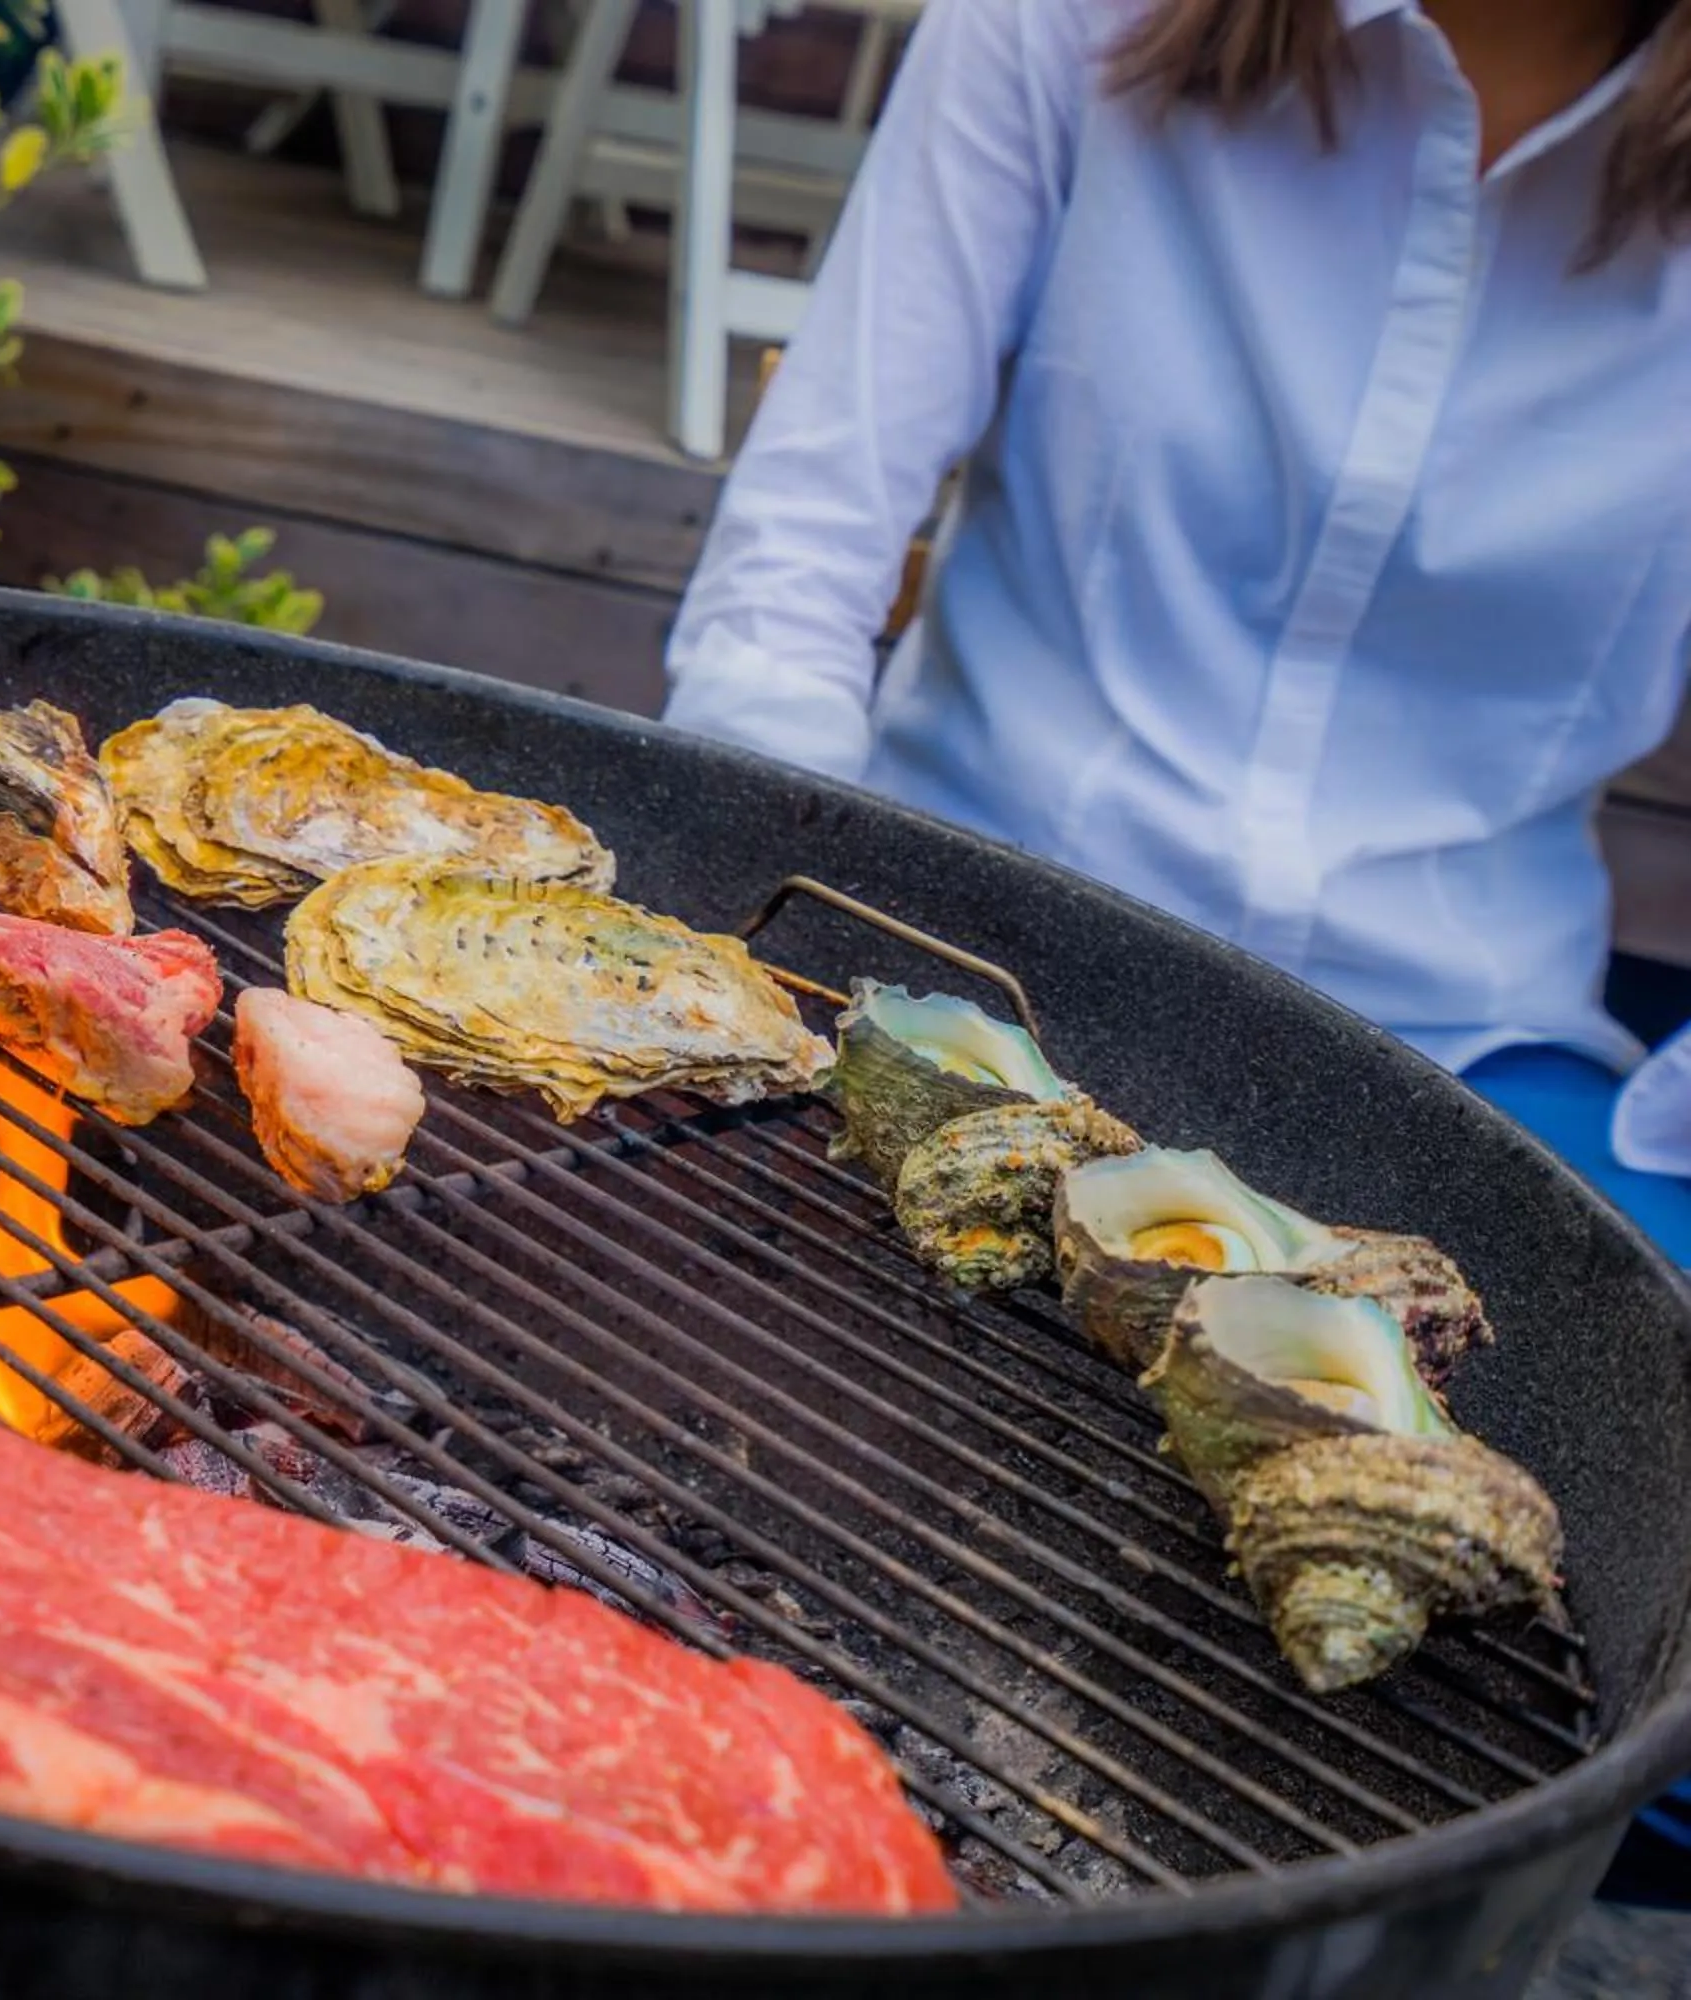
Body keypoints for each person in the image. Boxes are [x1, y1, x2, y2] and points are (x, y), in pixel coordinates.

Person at [661, 0, 1691, 1899]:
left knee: (1647, 1693)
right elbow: (801, 558)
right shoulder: (1069, 23)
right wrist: (785, 935)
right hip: (987, 973)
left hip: (1469, 1055)